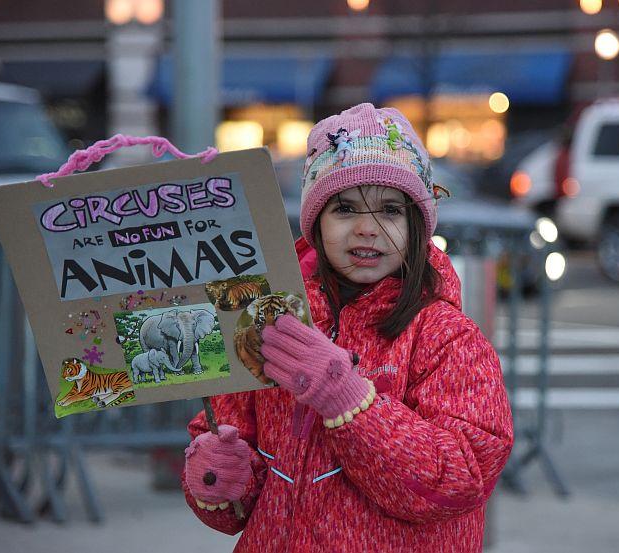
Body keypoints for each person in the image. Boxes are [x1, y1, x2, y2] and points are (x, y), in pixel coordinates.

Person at [181, 103, 514, 552]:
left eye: (390, 210)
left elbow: (460, 477)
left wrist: (350, 401)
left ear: (416, 225)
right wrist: (220, 479)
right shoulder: (269, 321)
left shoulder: (448, 338)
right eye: (345, 209)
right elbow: (239, 491)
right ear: (317, 221)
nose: (366, 230)